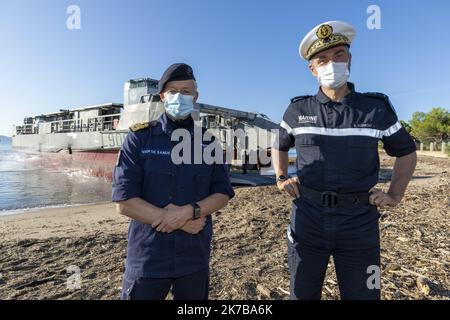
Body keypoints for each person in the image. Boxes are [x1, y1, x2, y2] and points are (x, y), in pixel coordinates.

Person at [272, 21, 417, 300]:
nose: (331, 64)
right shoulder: (296, 109)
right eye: (322, 59)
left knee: (364, 294)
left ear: (349, 59)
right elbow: (279, 145)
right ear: (312, 69)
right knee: (301, 293)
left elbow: (406, 152)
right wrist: (281, 177)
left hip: (359, 223)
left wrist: (395, 194)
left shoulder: (376, 108)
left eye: (338, 55)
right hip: (307, 219)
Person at [112, 63, 235, 300]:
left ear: (195, 96)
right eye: (173, 91)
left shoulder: (209, 143)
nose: (180, 97)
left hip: (194, 258)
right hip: (148, 258)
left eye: (186, 92)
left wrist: (190, 211)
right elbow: (124, 201)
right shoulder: (139, 138)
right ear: (162, 96)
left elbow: (222, 193)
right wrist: (182, 221)